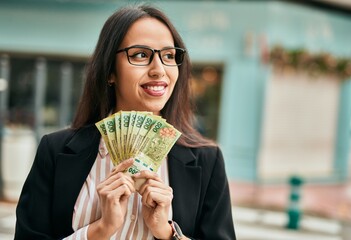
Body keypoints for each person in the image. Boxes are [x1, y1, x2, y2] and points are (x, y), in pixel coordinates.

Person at [15, 4, 236, 240]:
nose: (159, 70)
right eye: (140, 54)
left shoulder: (207, 161)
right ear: (110, 71)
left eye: (169, 56)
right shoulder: (55, 151)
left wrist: (168, 232)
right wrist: (99, 230)